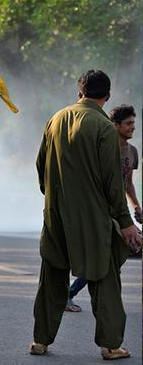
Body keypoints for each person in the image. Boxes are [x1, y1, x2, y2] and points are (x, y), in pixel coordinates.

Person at [30, 70, 141, 360]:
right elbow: (112, 183)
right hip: (92, 218)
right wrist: (126, 223)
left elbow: (41, 168)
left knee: (52, 276)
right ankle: (111, 345)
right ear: (106, 96)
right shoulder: (103, 127)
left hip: (56, 215)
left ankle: (40, 341)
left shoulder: (55, 120)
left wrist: (55, 198)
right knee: (104, 276)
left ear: (80, 92)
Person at [65, 104, 143, 312]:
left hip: (118, 211)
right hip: (98, 210)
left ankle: (73, 295)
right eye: (128, 123)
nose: (133, 127)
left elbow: (127, 183)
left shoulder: (132, 152)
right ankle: (72, 295)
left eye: (134, 123)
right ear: (115, 125)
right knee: (104, 257)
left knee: (110, 257)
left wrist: (136, 206)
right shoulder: (102, 147)